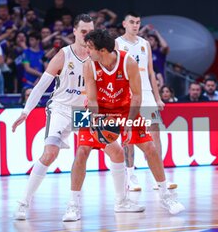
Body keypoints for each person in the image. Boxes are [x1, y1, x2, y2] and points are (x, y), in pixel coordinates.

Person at [63, 29, 185, 222]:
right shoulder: (89, 65)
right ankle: (73, 205)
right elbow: (92, 99)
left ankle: (165, 196)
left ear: (102, 50)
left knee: (150, 147)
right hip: (95, 109)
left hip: (125, 108)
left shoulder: (128, 61)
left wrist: (129, 121)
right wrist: (96, 121)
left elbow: (137, 95)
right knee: (82, 151)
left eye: (90, 47)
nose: (86, 51)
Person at [11, 14, 94, 221]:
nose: (87, 35)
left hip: (84, 111)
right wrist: (26, 111)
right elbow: (40, 86)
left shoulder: (97, 56)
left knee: (108, 149)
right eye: (83, 31)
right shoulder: (63, 55)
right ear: (74, 32)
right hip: (61, 109)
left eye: (90, 31)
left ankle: (113, 200)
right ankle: (24, 202)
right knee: (50, 154)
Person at [115, 12, 165, 191]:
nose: (135, 25)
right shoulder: (118, 43)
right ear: (124, 24)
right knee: (129, 134)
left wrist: (157, 97)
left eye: (137, 22)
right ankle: (131, 174)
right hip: (128, 94)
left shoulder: (145, 44)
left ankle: (158, 175)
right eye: (131, 22)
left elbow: (151, 72)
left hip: (147, 93)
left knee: (155, 132)